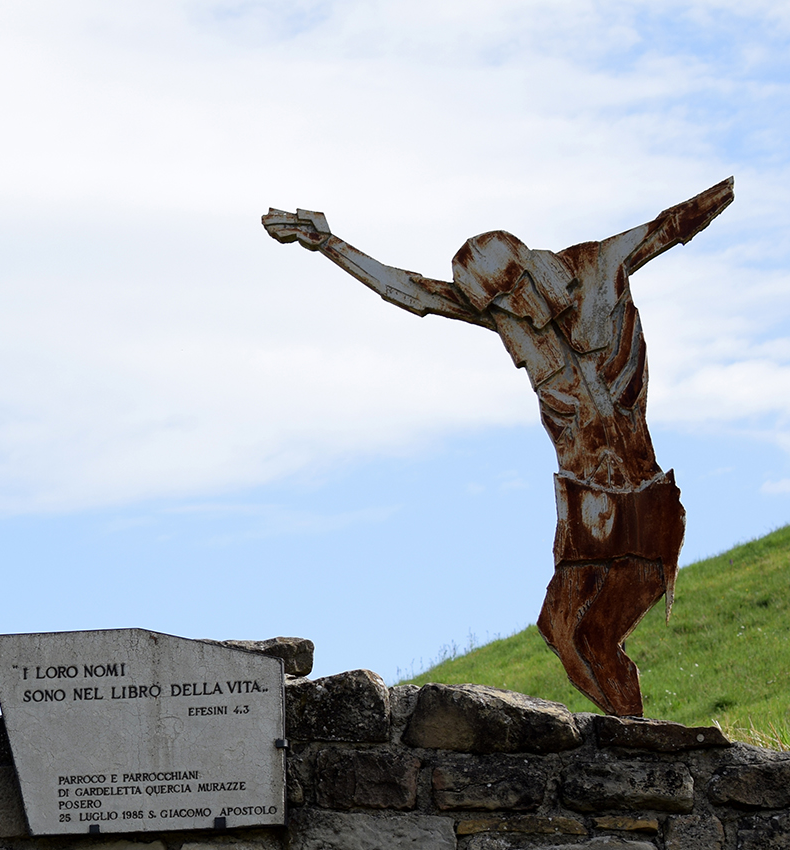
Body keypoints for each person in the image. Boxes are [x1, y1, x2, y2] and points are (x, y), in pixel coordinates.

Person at [262, 179, 734, 717]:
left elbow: (671, 224)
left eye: (511, 293)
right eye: (497, 303)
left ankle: (640, 744)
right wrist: (331, 245)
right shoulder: (501, 315)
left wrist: (733, 191)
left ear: (528, 269)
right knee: (558, 630)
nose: (510, 309)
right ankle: (627, 735)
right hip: (584, 505)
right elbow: (414, 292)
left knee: (600, 636)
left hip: (641, 500)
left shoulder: (599, 265)